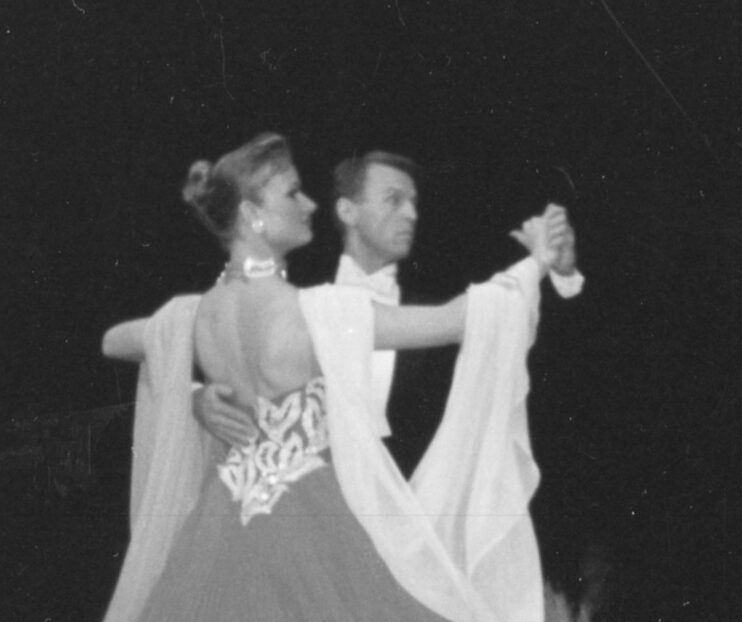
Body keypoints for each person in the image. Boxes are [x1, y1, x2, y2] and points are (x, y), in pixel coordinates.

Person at [0, 133, 636, 622]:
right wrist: (533, 267)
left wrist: (190, 380)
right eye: (291, 193)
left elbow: (118, 339)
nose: (306, 204)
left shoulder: (194, 314)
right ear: (253, 217)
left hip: (225, 529)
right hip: (312, 519)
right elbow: (455, 321)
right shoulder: (315, 312)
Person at [192, 149, 583, 449]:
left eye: (414, 202)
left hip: (414, 509)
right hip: (308, 507)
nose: (411, 214)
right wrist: (198, 399)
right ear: (348, 211)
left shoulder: (444, 293)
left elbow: (543, 356)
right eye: (394, 200)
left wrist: (562, 273)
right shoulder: (292, 288)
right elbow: (207, 354)